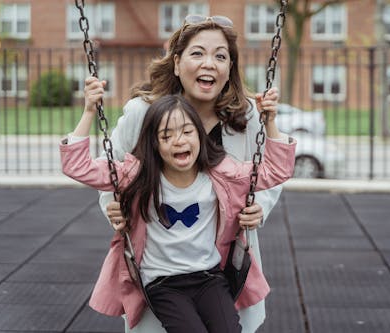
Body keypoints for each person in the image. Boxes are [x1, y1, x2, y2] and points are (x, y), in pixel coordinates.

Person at [96, 14, 284, 332]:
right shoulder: (144, 113)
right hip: (162, 265)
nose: (209, 63)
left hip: (225, 257)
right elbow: (111, 170)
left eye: (220, 56)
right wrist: (114, 205)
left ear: (229, 69)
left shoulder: (248, 116)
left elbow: (269, 169)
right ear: (176, 62)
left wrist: (260, 206)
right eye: (198, 53)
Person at [60, 91, 296, 332]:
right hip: (163, 283)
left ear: (200, 136)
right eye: (166, 135)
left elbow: (277, 171)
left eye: (187, 131)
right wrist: (90, 111)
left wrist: (270, 122)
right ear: (154, 143)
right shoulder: (137, 176)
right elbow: (77, 167)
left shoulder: (221, 174)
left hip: (209, 277)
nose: (179, 140)